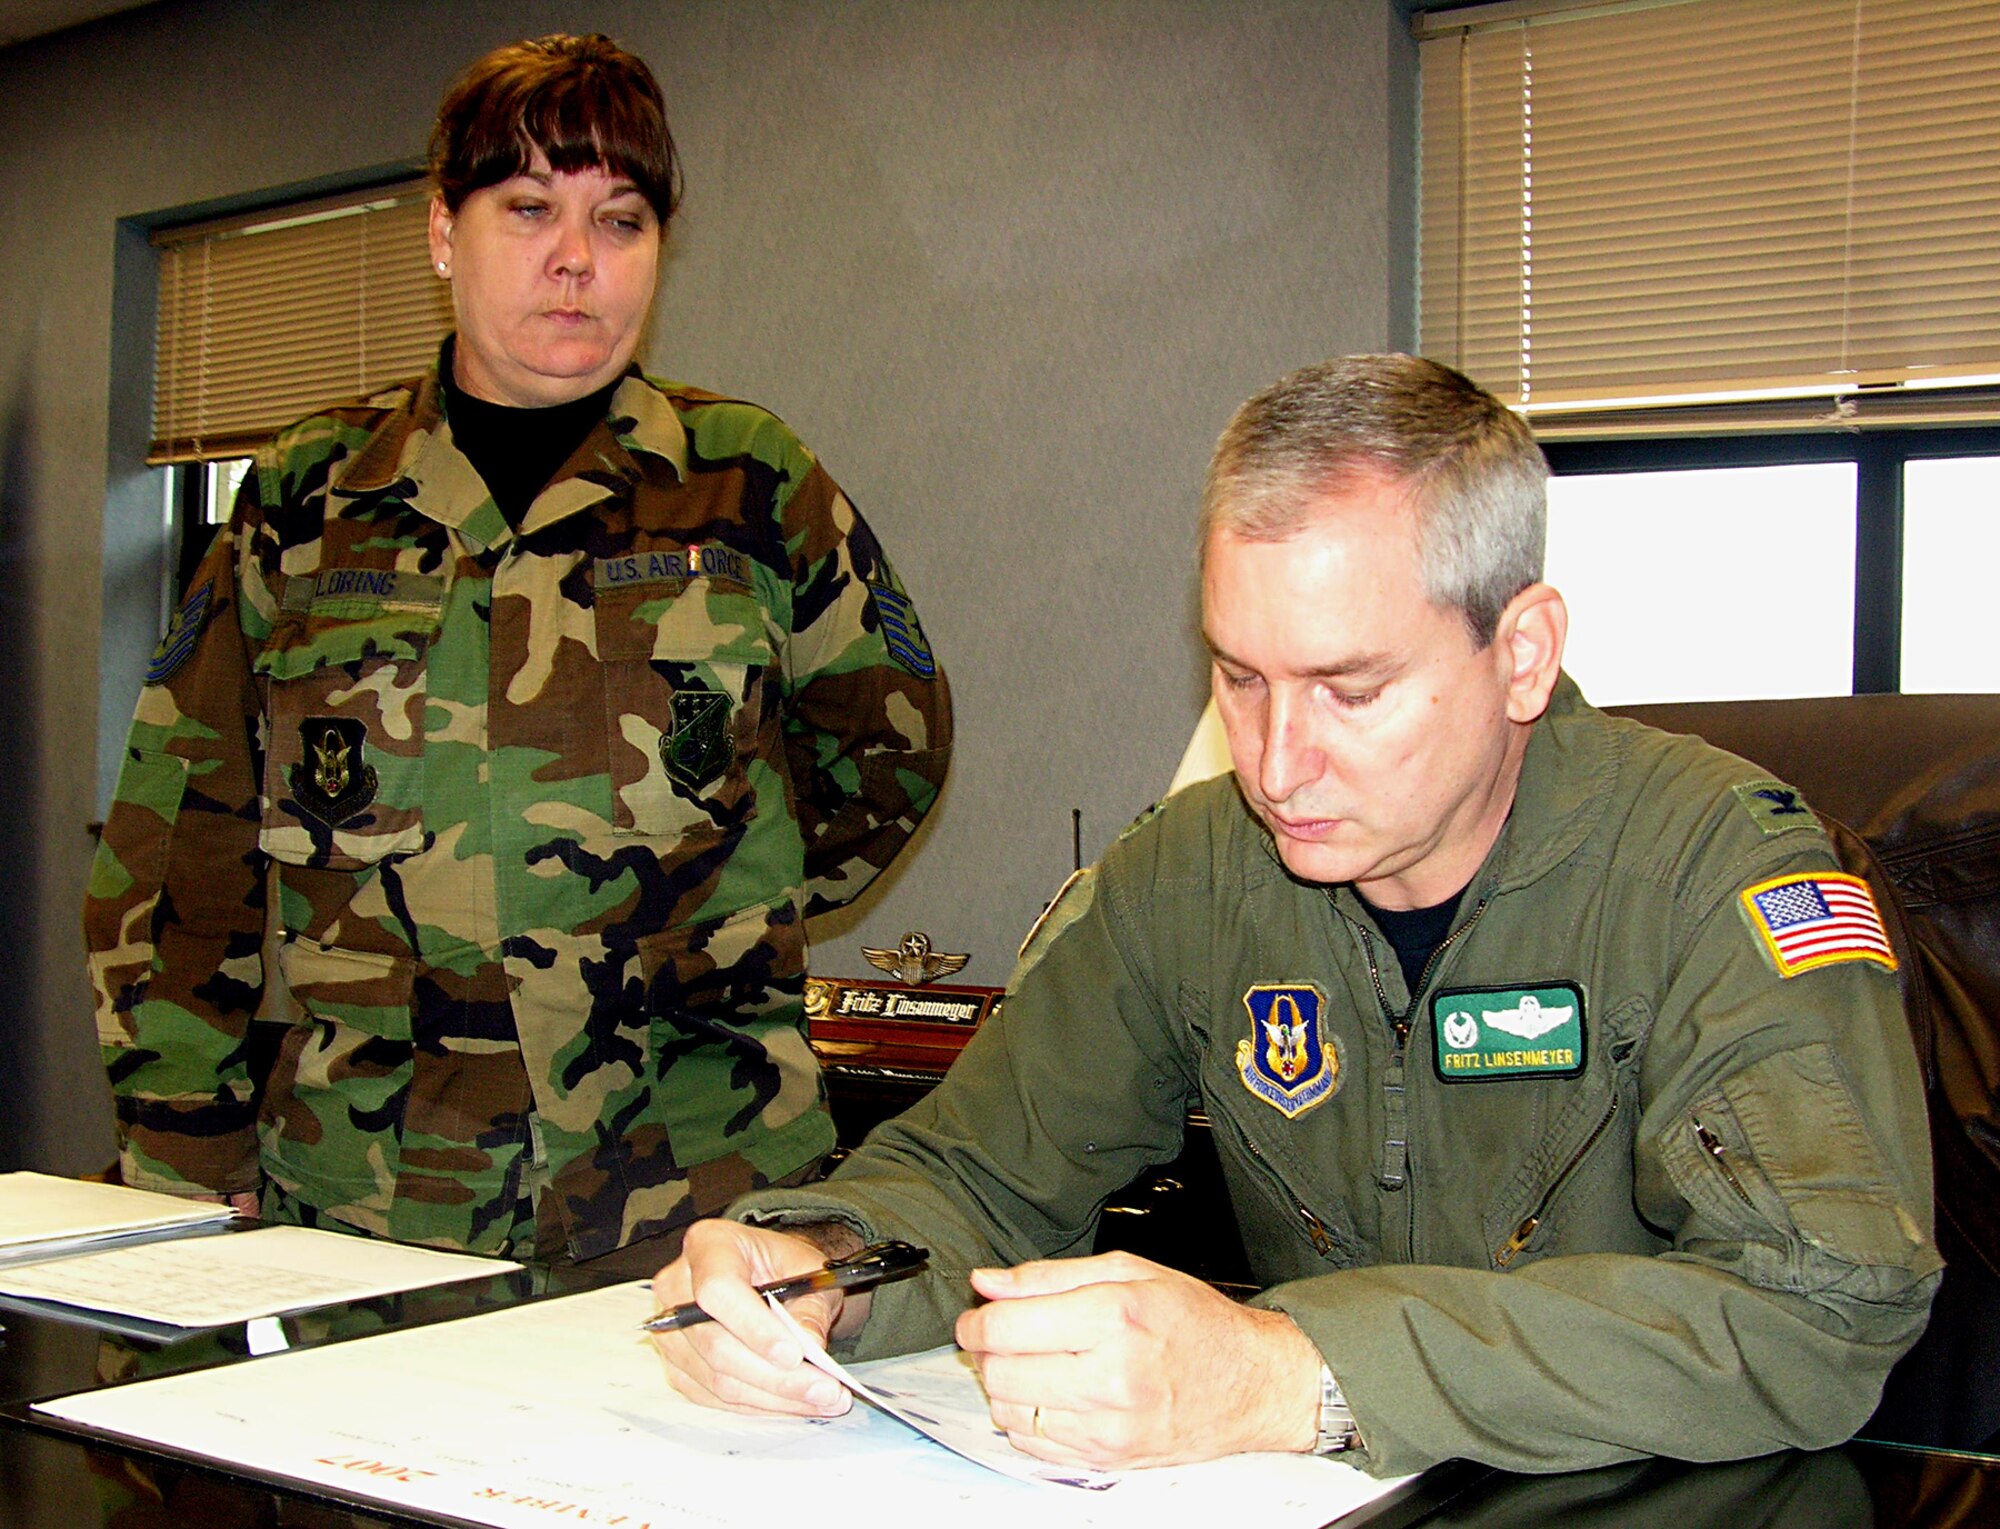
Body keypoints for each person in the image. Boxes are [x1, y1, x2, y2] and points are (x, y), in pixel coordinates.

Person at [647, 355, 1938, 1476]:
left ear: (1522, 652)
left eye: (1350, 690)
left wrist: (1295, 1371)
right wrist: (820, 1268)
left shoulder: (1719, 875)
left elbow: (1823, 1308)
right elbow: (978, 1171)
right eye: (1240, 676)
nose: (1273, 764)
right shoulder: (1191, 875)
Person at [84, 34, 951, 1269]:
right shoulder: (307, 498)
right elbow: (179, 837)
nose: (577, 258)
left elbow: (889, 747)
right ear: (445, 231)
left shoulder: (747, 481)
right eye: (530, 208)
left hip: (700, 1181)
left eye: (622, 219)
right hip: (374, 1195)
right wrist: (184, 1143)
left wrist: (703, 913)